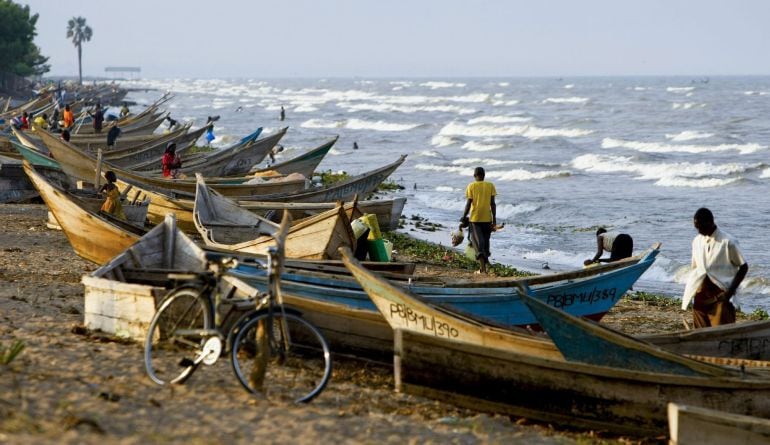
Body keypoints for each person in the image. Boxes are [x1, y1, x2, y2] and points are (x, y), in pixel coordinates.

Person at [682, 207, 749, 328]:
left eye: (701, 227)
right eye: (696, 227)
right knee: (700, 334)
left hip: (721, 293)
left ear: (710, 222)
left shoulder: (728, 242)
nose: (698, 231)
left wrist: (729, 292)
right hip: (701, 294)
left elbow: (743, 267)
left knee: (722, 333)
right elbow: (696, 269)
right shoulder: (697, 241)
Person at [461, 167, 497, 274]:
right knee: (485, 242)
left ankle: (482, 269)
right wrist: (494, 219)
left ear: (474, 176)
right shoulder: (490, 185)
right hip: (487, 219)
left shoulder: (471, 186)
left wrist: (464, 216)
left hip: (475, 219)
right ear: (484, 175)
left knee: (478, 243)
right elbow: (493, 204)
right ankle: (486, 266)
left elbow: (469, 203)